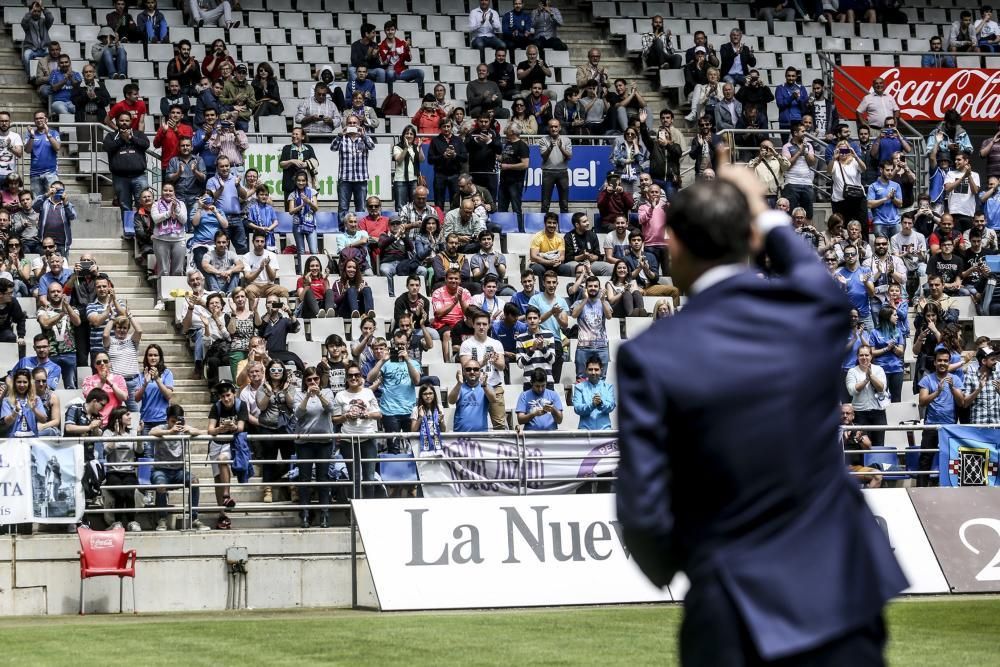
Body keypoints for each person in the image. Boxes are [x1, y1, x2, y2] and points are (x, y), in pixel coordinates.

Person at [615, 166, 905, 664]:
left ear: (675, 244)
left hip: (733, 609)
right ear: (750, 237)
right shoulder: (808, 312)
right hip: (842, 593)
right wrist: (765, 214)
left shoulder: (651, 355)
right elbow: (821, 284)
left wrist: (680, 565)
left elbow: (643, 509)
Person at [148, 404, 210, 531]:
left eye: (178, 421)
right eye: (172, 421)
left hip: (179, 471)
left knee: (195, 481)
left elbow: (205, 432)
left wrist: (193, 431)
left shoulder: (184, 428)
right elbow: (151, 432)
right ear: (167, 420)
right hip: (161, 471)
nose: (176, 424)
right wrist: (169, 432)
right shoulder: (163, 428)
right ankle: (162, 519)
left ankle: (194, 518)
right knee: (160, 485)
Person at [333, 361, 381, 498]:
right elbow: (335, 419)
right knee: (353, 477)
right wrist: (346, 416)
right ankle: (355, 508)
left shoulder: (368, 393)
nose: (353, 378)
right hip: (348, 440)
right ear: (346, 378)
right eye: (350, 376)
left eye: (356, 375)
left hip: (368, 438)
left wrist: (366, 415)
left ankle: (368, 509)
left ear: (361, 377)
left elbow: (378, 414)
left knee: (369, 478)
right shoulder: (340, 395)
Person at [917, 348, 965, 486]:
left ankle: (949, 488)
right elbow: (922, 401)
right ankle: (920, 490)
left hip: (950, 427)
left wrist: (952, 389)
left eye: (945, 360)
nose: (942, 363)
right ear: (935, 363)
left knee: (951, 460)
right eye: (939, 360)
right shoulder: (927, 379)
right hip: (931, 425)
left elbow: (962, 402)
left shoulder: (955, 379)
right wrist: (937, 392)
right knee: (925, 459)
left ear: (949, 362)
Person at [101, 407, 143, 531]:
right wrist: (115, 434)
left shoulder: (132, 433)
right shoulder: (108, 433)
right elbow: (106, 450)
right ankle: (117, 522)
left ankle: (132, 522)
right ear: (118, 418)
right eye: (127, 415)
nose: (130, 417)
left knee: (129, 492)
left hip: (129, 471)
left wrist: (139, 435)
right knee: (120, 492)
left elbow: (139, 450)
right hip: (113, 472)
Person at [102, 313, 142, 412]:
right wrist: (111, 319)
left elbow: (139, 331)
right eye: (119, 327)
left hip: (132, 382)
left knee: (134, 411)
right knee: (113, 410)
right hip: (116, 382)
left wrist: (130, 316)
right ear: (114, 329)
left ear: (128, 330)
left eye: (124, 328)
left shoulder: (132, 340)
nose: (122, 330)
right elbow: (105, 334)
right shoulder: (110, 341)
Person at [449, 358, 497, 432]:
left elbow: (493, 399)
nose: (472, 372)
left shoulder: (486, 387)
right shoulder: (460, 387)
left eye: (475, 369)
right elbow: (451, 401)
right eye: (468, 369)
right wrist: (459, 384)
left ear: (480, 372)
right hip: (460, 435)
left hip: (481, 436)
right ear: (464, 372)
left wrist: (484, 385)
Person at [572, 356, 615, 430]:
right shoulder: (579, 387)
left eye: (596, 369)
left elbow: (611, 406)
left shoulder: (608, 387)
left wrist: (601, 403)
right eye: (590, 369)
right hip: (585, 430)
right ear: (586, 370)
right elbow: (577, 408)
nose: (593, 372)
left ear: (601, 370)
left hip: (605, 430)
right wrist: (592, 405)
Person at [1, 368, 47, 437]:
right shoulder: (7, 400)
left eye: (25, 382)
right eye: (19, 382)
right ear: (14, 383)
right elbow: (6, 423)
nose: (22, 385)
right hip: (13, 441)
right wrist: (15, 412)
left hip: (32, 441)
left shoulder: (36, 399)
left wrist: (34, 410)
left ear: (29, 384)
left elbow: (44, 420)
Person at [25, 111, 60, 197]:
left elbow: (57, 147)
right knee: (37, 203)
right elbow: (27, 150)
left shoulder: (54, 133)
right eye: (36, 118)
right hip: (35, 174)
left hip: (51, 173)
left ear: (46, 120)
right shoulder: (30, 134)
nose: (38, 120)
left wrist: (48, 134)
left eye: (41, 118)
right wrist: (32, 136)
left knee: (53, 200)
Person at [20, 2, 54, 76]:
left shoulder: (44, 22)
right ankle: (31, 76)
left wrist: (43, 8)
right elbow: (23, 22)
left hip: (44, 48)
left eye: (39, 11)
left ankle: (52, 76)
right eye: (35, 11)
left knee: (55, 54)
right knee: (26, 56)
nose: (36, 13)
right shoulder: (28, 22)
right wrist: (31, 11)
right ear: (31, 11)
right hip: (31, 48)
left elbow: (51, 18)